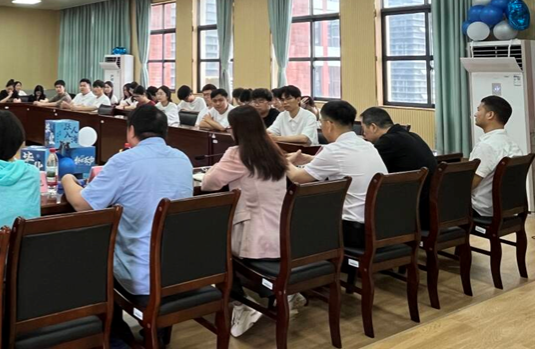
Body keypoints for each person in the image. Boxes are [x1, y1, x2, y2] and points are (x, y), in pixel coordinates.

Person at [61, 107, 192, 299]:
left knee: (84, 254)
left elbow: (82, 205)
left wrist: (66, 178)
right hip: (181, 271)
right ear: (166, 131)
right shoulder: (183, 159)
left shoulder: (125, 161)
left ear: (131, 130)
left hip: (141, 277)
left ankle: (106, 317)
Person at [201, 105, 290, 336]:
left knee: (211, 247)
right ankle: (281, 294)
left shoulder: (237, 154)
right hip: (283, 235)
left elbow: (209, 184)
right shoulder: (273, 150)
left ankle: (241, 305)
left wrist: (218, 165)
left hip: (254, 236)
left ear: (237, 130)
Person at [287, 100, 387, 247]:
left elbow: (297, 178)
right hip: (381, 226)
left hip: (355, 231)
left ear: (329, 124)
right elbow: (344, 162)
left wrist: (281, 161)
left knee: (299, 212)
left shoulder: (333, 150)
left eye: (321, 123)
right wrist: (311, 159)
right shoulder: (367, 145)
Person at [360, 107, 437, 227]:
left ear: (373, 127)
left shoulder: (387, 142)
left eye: (363, 129)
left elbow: (368, 170)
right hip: (430, 207)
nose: (363, 134)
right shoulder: (412, 136)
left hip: (412, 213)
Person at [469, 96, 523, 217]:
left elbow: (470, 184)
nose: (475, 114)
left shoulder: (486, 146)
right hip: (507, 207)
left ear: (490, 115)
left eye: (479, 110)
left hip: (482, 209)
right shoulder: (513, 145)